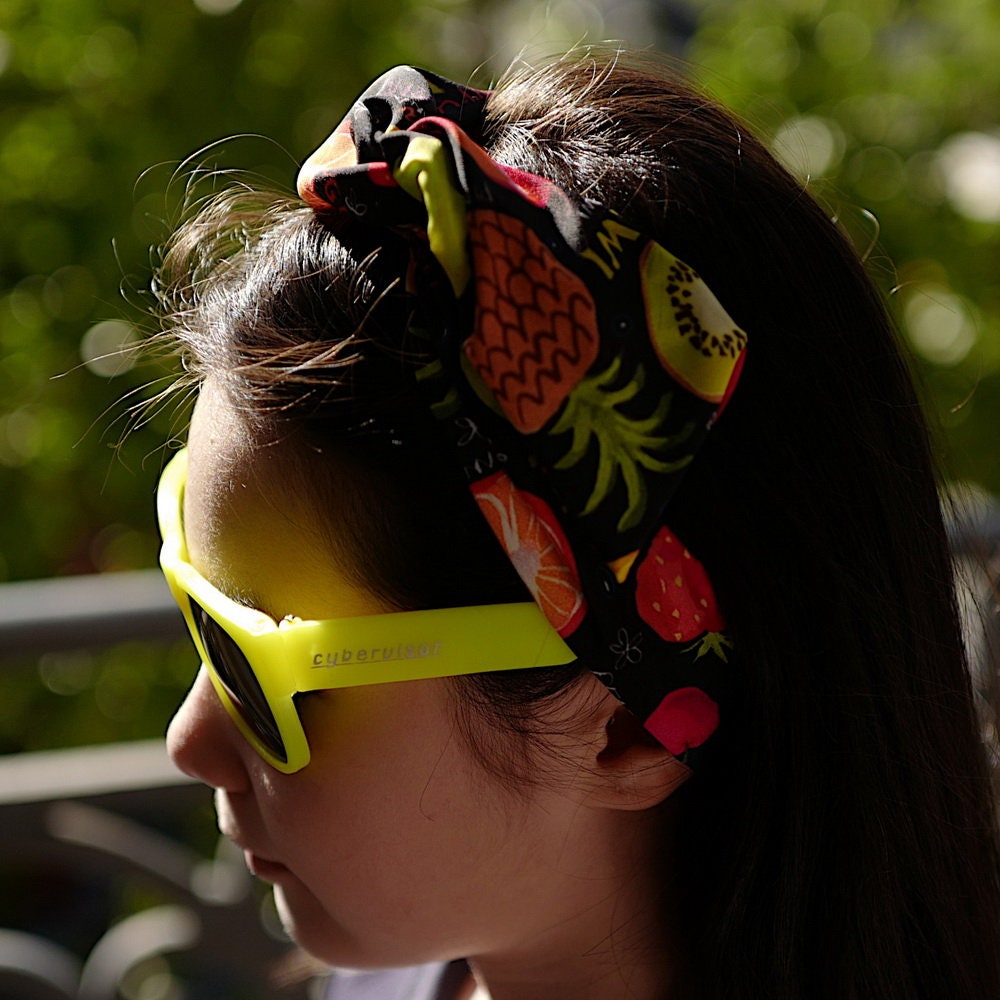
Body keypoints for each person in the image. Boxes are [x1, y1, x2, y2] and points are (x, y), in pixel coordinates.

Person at [155, 53, 1000, 1000]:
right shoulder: (397, 974)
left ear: (628, 729)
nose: (190, 738)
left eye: (254, 670)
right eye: (193, 602)